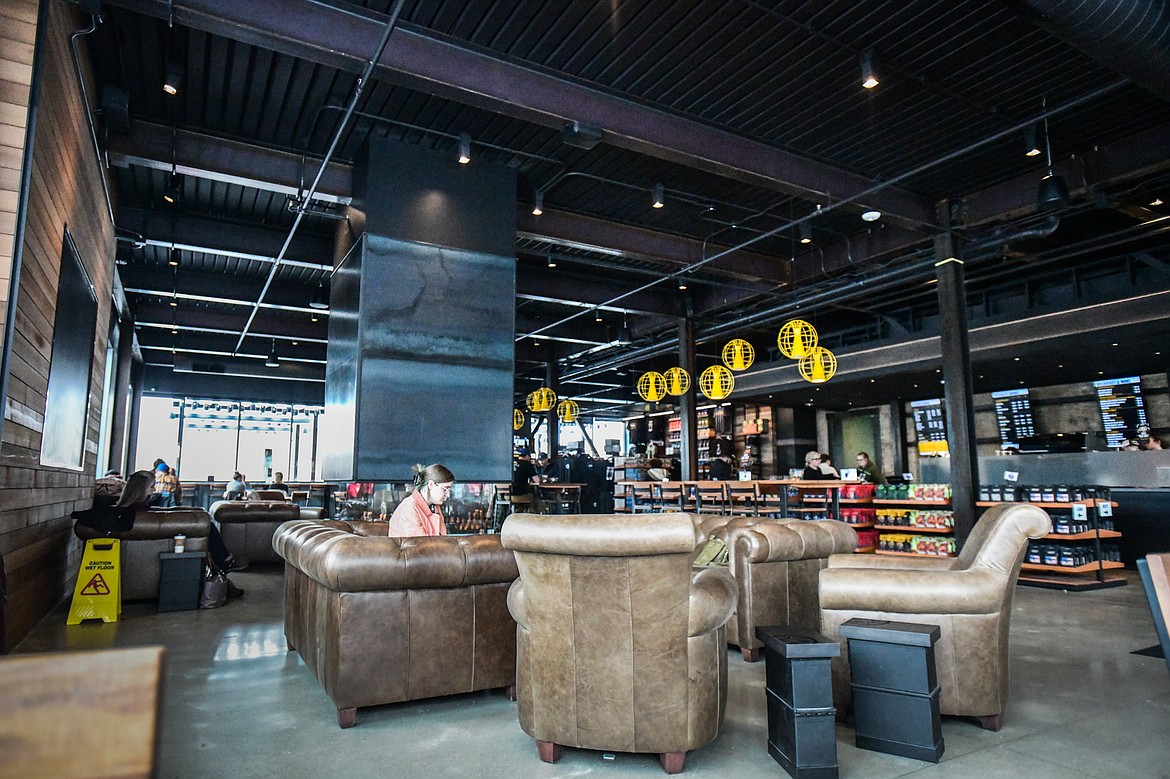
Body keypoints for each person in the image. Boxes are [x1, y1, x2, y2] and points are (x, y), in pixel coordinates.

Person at [72, 471, 244, 596]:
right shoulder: (139, 511)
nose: (154, 490)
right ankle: (225, 561)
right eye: (152, 486)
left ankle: (226, 560)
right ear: (141, 489)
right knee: (209, 527)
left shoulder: (123, 512)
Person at [388, 463, 454, 536]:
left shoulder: (434, 507)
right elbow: (420, 545)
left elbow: (442, 539)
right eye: (445, 489)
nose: (448, 495)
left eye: (449, 490)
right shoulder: (410, 509)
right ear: (431, 484)